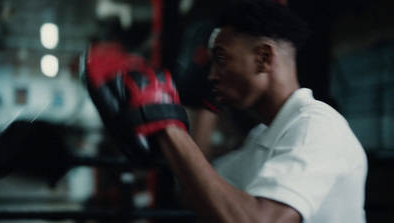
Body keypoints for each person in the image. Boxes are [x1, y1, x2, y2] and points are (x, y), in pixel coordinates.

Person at [83, 0, 368, 222]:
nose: (211, 76)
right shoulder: (262, 137)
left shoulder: (315, 127)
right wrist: (196, 114)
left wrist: (164, 120)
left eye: (221, 60)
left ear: (264, 58)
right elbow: (199, 192)